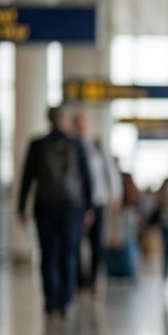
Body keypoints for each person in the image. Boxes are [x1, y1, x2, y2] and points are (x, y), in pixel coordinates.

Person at [18, 105, 95, 318]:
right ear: (64, 120)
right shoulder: (76, 144)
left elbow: (27, 178)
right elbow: (87, 178)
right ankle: (66, 300)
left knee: (48, 253)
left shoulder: (38, 144)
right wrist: (89, 207)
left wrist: (21, 207)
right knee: (69, 253)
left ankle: (51, 299)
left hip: (45, 206)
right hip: (72, 206)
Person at [72, 111, 121, 292]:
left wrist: (114, 194)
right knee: (76, 242)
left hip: (98, 200)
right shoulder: (71, 147)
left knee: (96, 242)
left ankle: (93, 278)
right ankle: (79, 279)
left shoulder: (97, 146)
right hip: (78, 202)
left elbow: (110, 172)